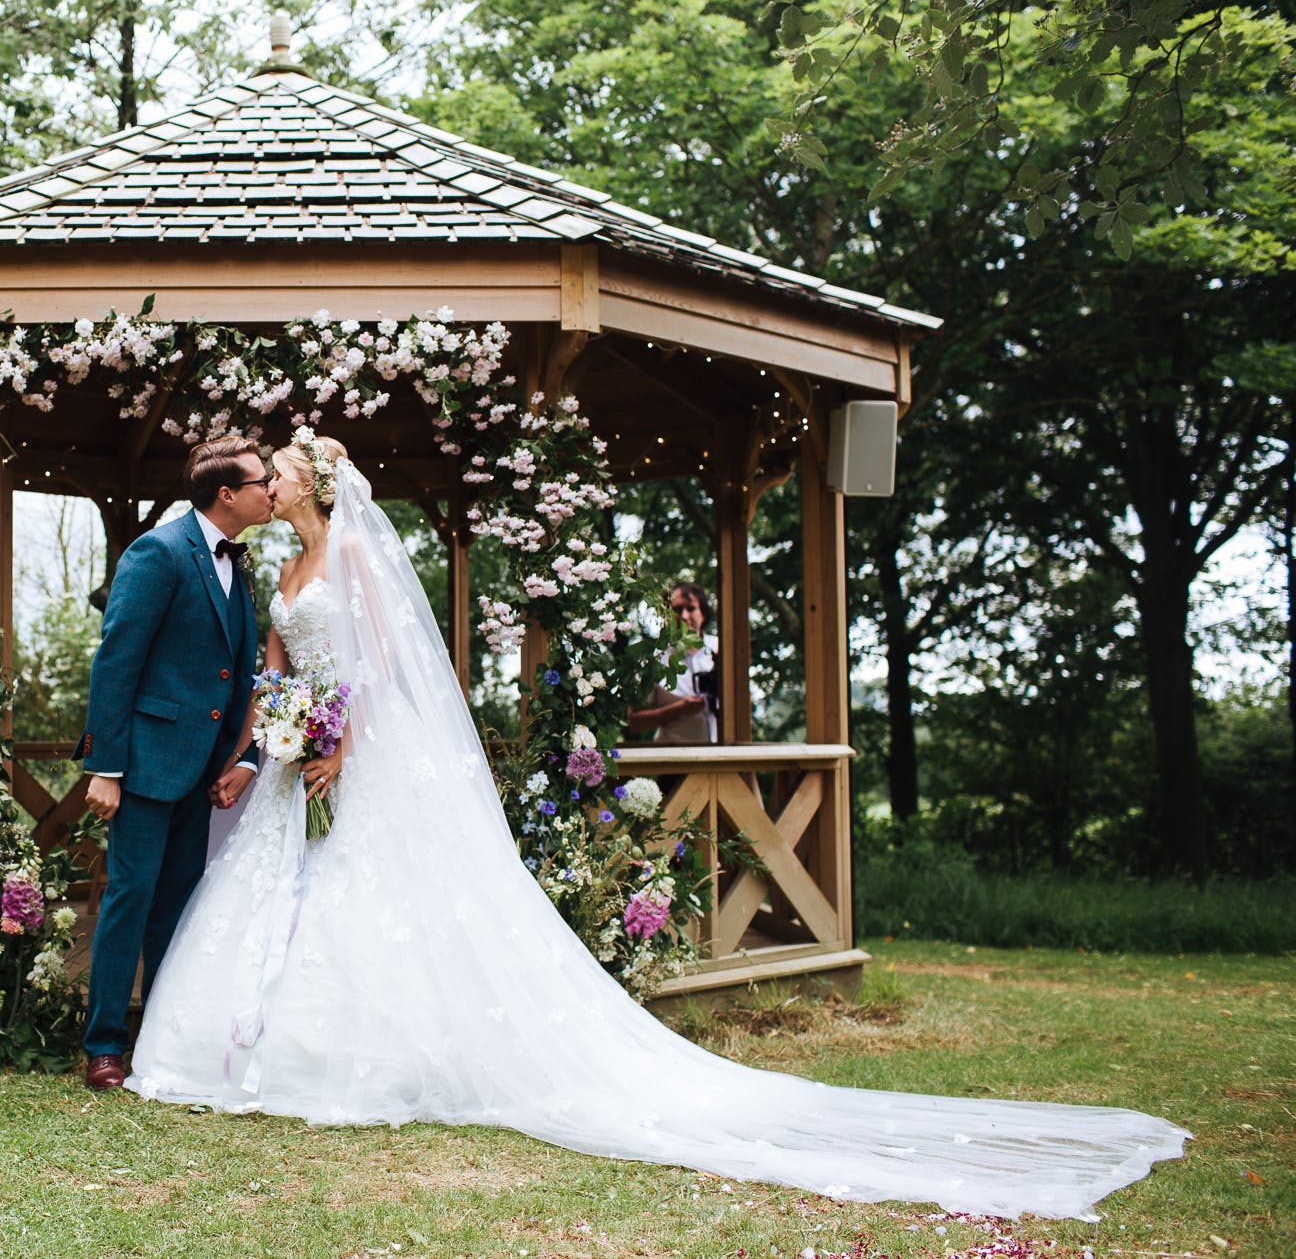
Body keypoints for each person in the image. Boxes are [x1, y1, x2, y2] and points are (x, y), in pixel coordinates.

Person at [123, 437, 1187, 1220]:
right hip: (294, 761)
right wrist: (276, 734)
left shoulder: (347, 555)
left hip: (356, 754)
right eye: (265, 475)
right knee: (278, 894)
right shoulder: (277, 568)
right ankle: (243, 1048)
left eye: (283, 473)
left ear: (309, 485)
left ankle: (352, 1051)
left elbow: (381, 665)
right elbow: (280, 663)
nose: (274, 483)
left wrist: (341, 735)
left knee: (367, 897)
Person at [72, 436, 272, 1091]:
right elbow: (117, 659)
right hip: (146, 765)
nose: (270, 489)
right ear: (227, 494)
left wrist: (245, 757)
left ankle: (157, 1040)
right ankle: (103, 1045)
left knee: (179, 908)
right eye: (260, 481)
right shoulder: (158, 552)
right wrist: (106, 766)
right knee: (130, 899)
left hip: (203, 770)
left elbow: (241, 674)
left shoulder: (236, 569)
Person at [625, 582, 717, 743]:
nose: (684, 616)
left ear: (703, 613)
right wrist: (679, 709)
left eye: (691, 608)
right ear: (667, 615)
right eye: (677, 609)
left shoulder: (721, 649)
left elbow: (745, 702)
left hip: (722, 756)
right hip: (673, 756)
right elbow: (634, 722)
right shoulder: (655, 658)